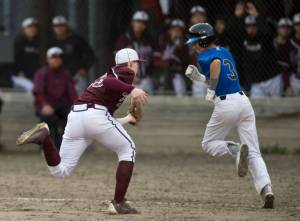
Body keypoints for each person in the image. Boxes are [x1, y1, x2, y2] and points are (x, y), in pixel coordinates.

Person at [17, 48, 148, 214]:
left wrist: (127, 119)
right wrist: (133, 90)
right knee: (128, 149)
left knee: (61, 171)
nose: (137, 67)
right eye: (137, 63)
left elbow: (103, 123)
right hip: (94, 115)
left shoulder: (112, 74)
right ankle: (118, 202)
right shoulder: (125, 72)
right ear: (130, 63)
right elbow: (106, 92)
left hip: (77, 116)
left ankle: (45, 138)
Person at [185, 23, 274, 208]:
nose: (193, 46)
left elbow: (216, 67)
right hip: (243, 102)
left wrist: (210, 88)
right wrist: (199, 78)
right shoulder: (225, 51)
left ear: (203, 41)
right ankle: (267, 190)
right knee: (254, 152)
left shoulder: (203, 57)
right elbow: (220, 70)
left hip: (226, 105)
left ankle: (234, 149)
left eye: (195, 42)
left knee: (208, 144)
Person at [33, 47, 77, 148]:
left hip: (62, 105)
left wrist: (76, 106)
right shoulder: (41, 73)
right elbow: (38, 92)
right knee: (47, 118)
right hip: (45, 105)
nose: (56, 60)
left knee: (72, 117)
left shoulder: (66, 74)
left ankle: (62, 146)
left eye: (59, 57)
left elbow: (72, 92)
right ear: (48, 59)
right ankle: (45, 146)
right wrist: (44, 105)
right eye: (53, 57)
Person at [49, 16, 95, 95]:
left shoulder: (76, 39)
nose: (59, 28)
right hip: (58, 77)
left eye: (61, 25)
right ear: (53, 28)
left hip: (76, 76)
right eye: (56, 26)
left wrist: (84, 68)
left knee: (78, 100)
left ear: (66, 26)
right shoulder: (52, 42)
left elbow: (90, 55)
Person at [241, 16, 282, 96]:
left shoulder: (265, 37)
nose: (251, 28)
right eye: (248, 26)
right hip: (257, 82)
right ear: (245, 28)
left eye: (254, 26)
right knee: (257, 107)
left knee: (278, 107)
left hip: (272, 78)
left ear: (258, 26)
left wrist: (258, 17)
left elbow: (269, 32)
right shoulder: (242, 40)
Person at [115, 11, 154, 94]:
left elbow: (152, 59)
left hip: (147, 78)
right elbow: (118, 61)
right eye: (138, 21)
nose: (140, 25)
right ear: (132, 22)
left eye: (143, 23)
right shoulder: (124, 40)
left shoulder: (149, 40)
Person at [153, 19, 189, 96]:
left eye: (179, 30)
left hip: (177, 74)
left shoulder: (184, 47)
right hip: (161, 73)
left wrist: (179, 48)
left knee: (179, 85)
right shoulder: (162, 43)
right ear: (169, 31)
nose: (176, 32)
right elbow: (155, 60)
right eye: (174, 29)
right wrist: (167, 62)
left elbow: (185, 63)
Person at [13, 17, 40, 92]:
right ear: (24, 29)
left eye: (34, 27)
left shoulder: (38, 42)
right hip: (19, 75)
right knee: (32, 87)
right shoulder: (17, 42)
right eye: (29, 27)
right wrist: (19, 71)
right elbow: (14, 60)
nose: (33, 29)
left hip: (34, 76)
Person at [188, 5, 208, 96]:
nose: (198, 18)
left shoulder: (211, 35)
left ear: (205, 18)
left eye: (200, 15)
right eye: (195, 16)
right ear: (191, 19)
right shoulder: (187, 37)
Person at [274, 18, 294, 96]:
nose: (285, 29)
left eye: (288, 27)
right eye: (283, 27)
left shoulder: (291, 45)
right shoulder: (271, 43)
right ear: (278, 29)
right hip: (273, 76)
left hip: (287, 76)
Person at [290, 13, 300, 96]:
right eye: (297, 24)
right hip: (295, 79)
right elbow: (285, 67)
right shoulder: (289, 43)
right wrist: (287, 85)